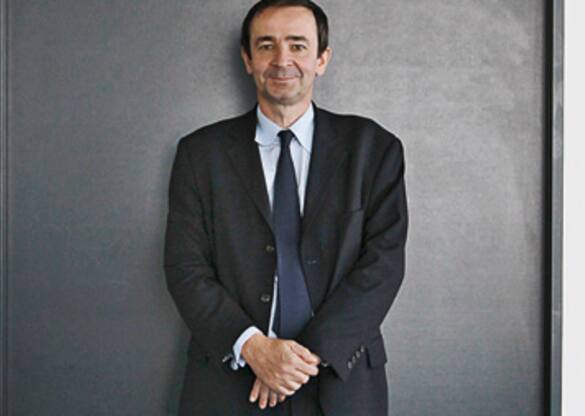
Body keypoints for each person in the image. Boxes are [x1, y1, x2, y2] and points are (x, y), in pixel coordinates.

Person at [164, 1, 408, 414]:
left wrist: (295, 363)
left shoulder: (374, 149)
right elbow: (185, 267)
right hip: (229, 381)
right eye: (266, 46)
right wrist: (253, 347)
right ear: (248, 59)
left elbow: (383, 265)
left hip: (340, 380)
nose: (282, 60)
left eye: (298, 46)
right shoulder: (199, 154)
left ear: (321, 59)